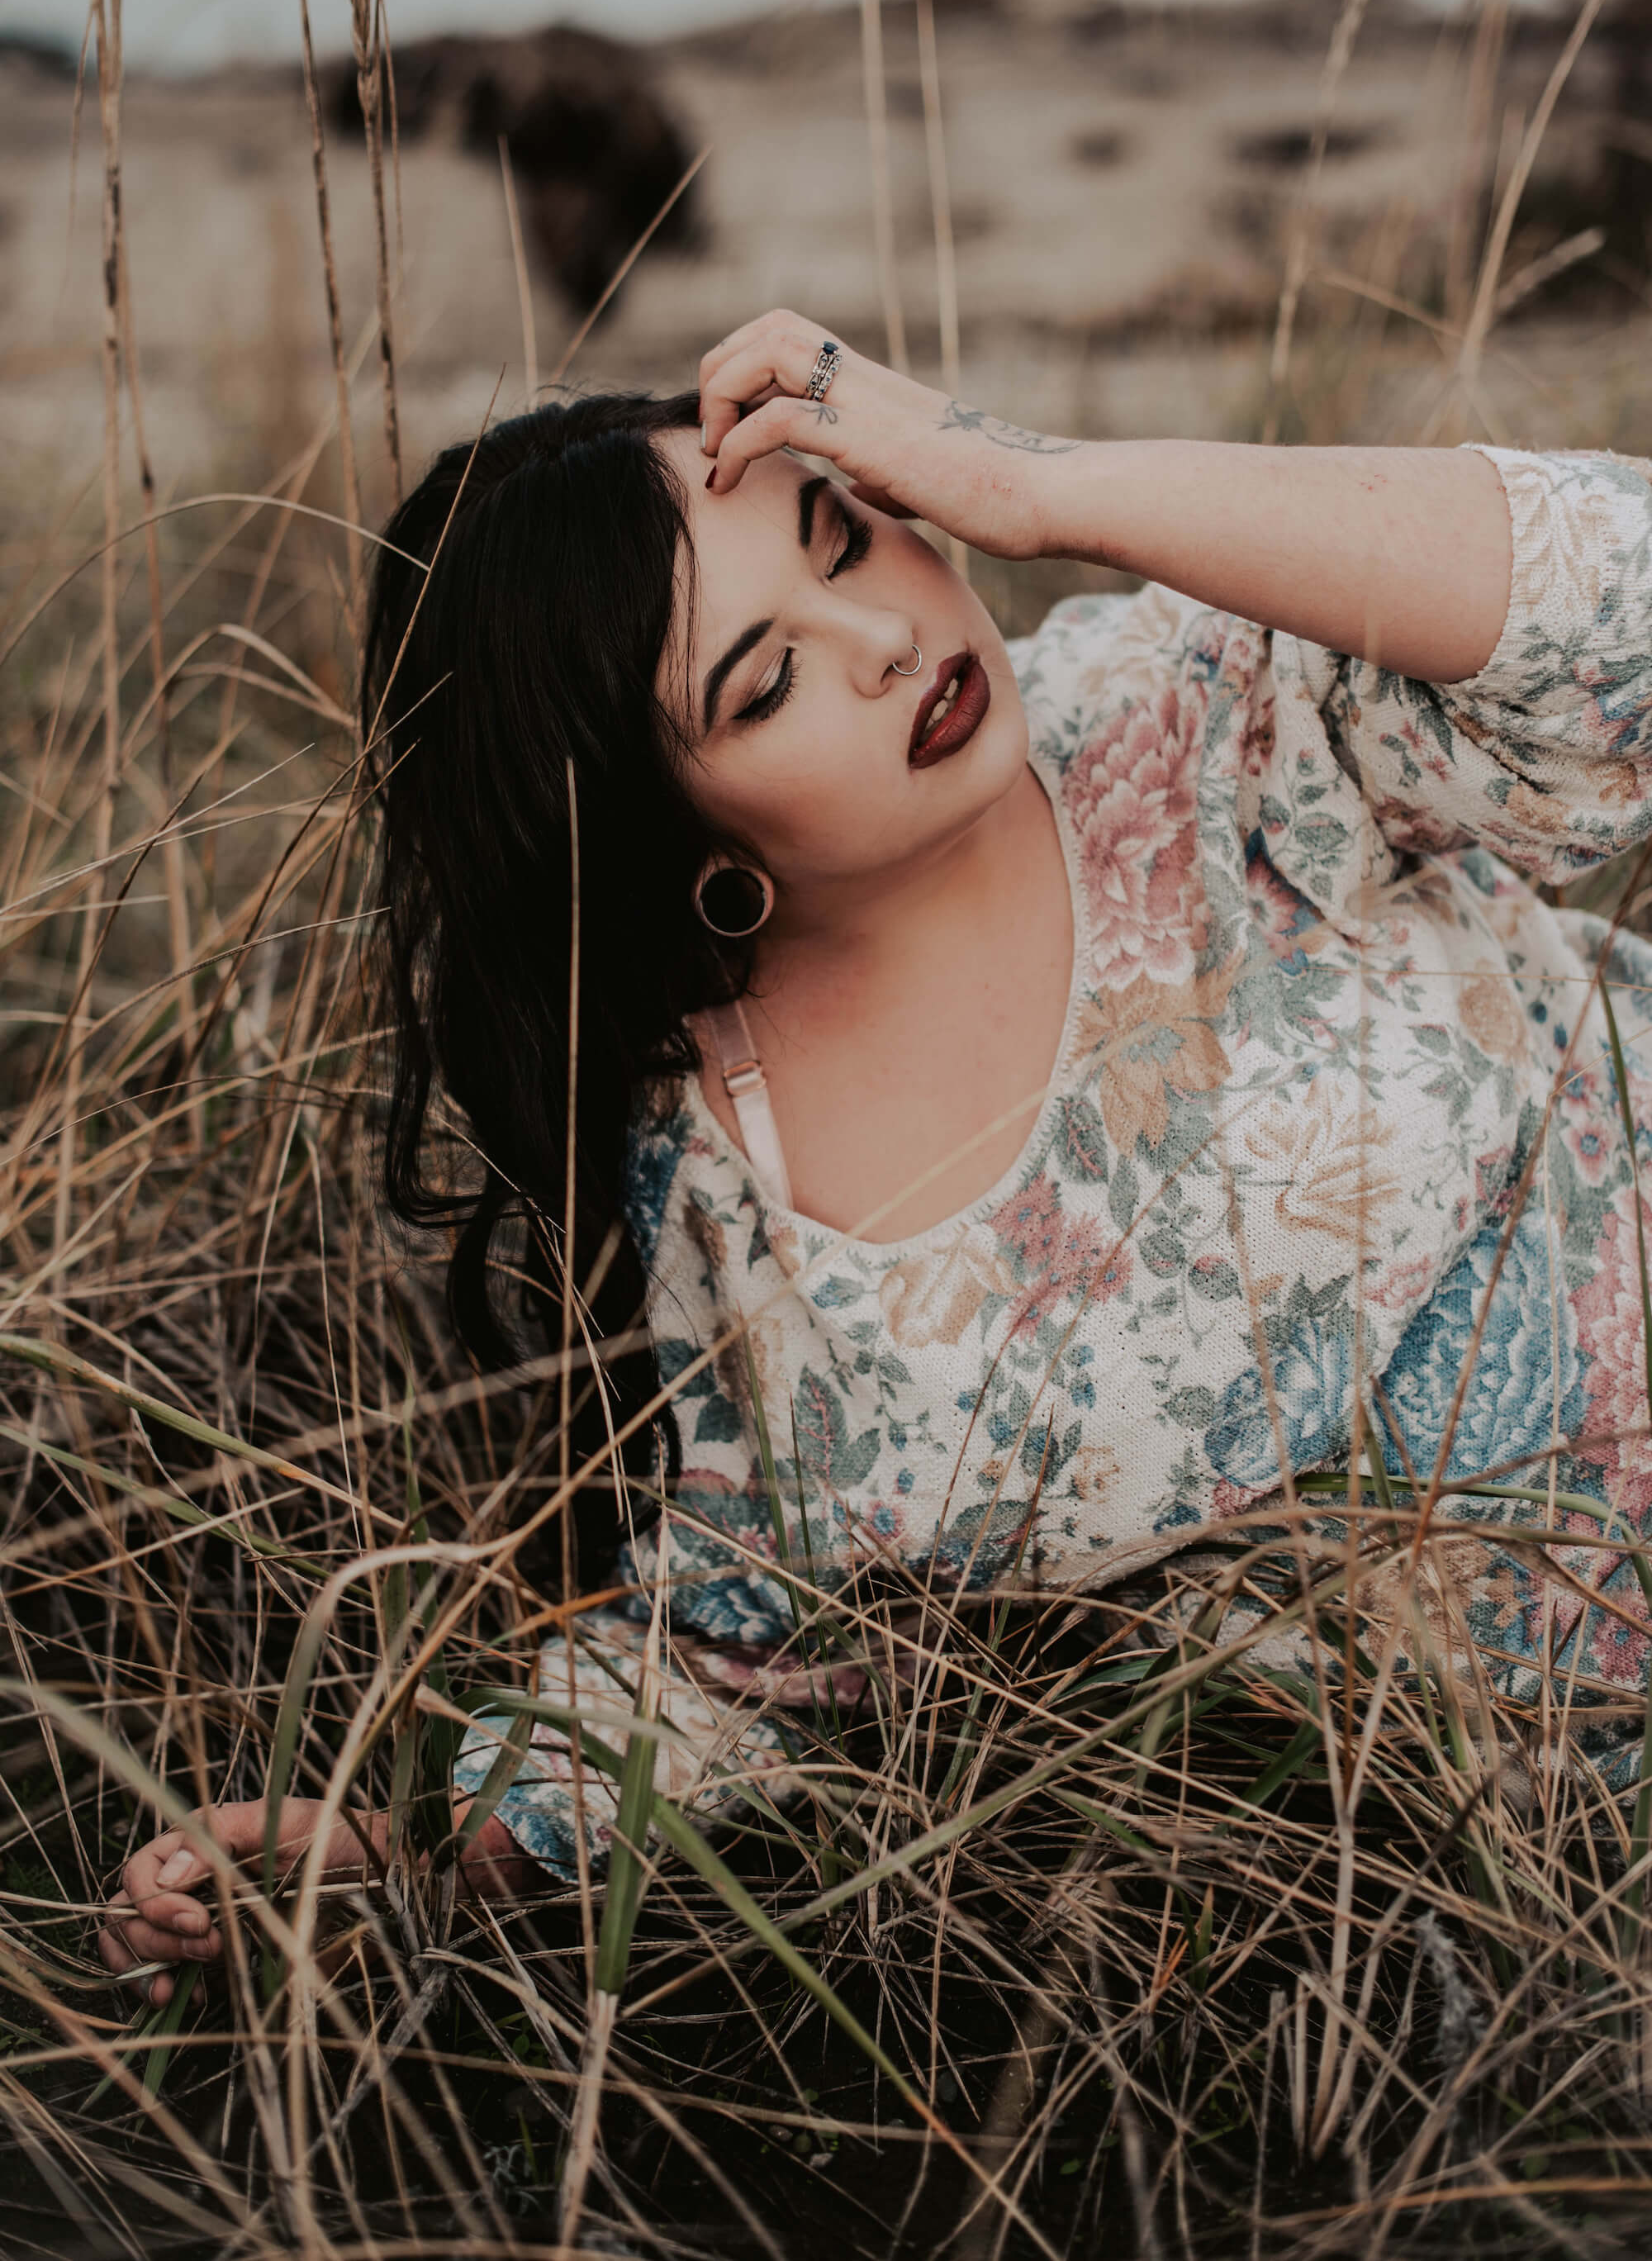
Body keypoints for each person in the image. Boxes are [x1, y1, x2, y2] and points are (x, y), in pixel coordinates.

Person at [100, 312, 1652, 2003]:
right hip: (1537, 1818)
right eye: (760, 680)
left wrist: (1026, 481)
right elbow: (732, 1654)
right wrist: (409, 1875)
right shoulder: (729, 1186)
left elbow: (1623, 609)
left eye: (848, 536)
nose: (883, 637)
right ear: (665, 832)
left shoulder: (1189, 719)